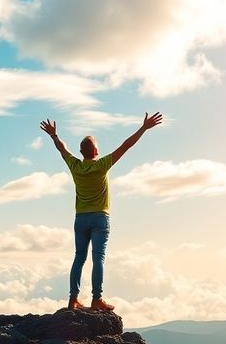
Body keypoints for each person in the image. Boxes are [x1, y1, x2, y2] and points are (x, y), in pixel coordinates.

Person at [39, 112, 163, 311]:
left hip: (80, 219)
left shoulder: (75, 166)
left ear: (81, 152)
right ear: (96, 151)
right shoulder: (102, 165)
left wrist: (54, 135)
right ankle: (97, 299)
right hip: (100, 218)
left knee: (79, 258)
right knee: (98, 258)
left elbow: (62, 149)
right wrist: (143, 128)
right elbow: (126, 146)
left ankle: (73, 299)